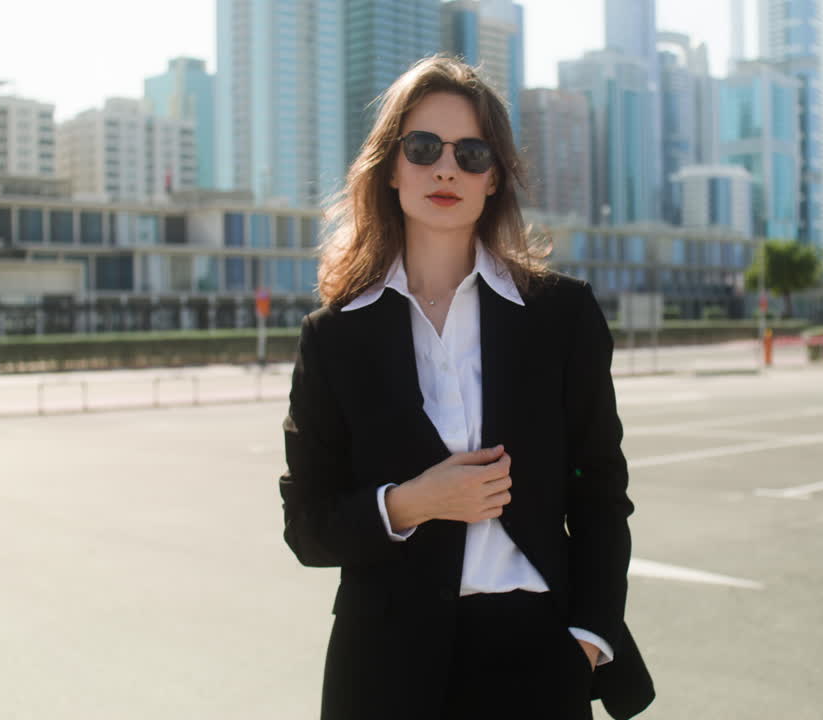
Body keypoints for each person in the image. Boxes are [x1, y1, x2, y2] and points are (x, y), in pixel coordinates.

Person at [278, 55, 654, 720]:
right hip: (384, 669)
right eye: (422, 148)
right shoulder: (333, 338)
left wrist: (588, 642)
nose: (445, 168)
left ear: (494, 178)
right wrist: (411, 503)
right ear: (391, 168)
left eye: (471, 153)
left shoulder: (561, 317)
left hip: (538, 658)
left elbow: (599, 491)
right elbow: (308, 527)